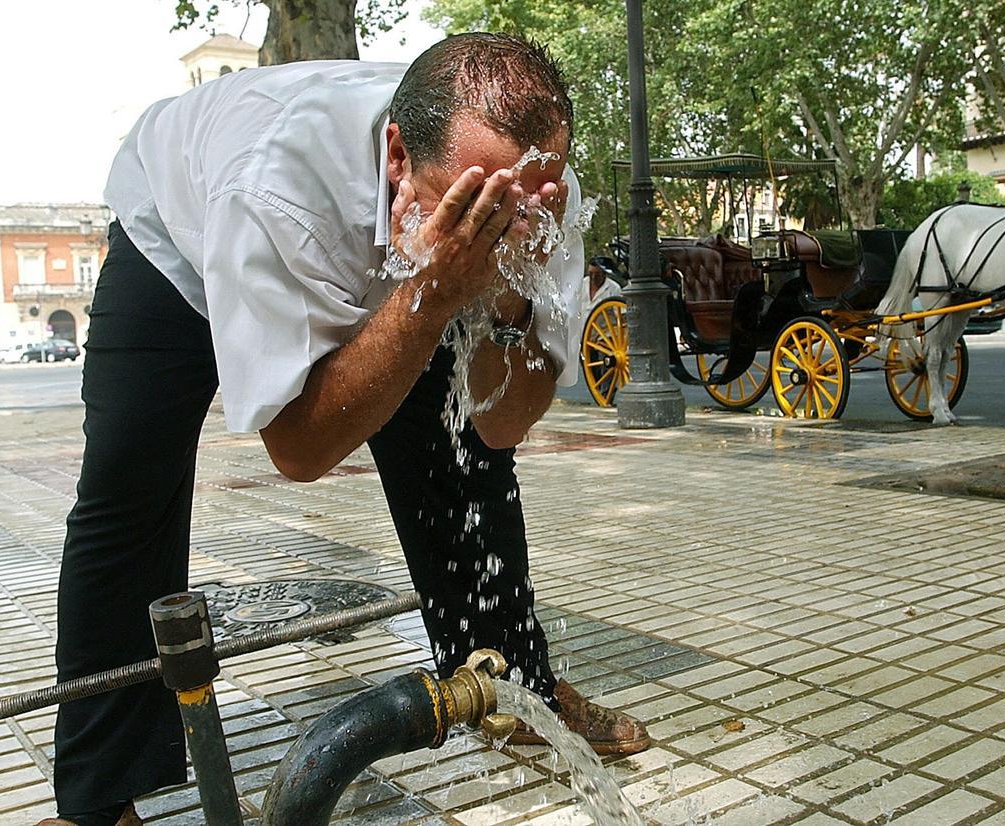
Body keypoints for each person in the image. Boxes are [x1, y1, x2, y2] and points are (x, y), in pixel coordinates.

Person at [43, 33, 649, 826]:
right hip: (176, 235)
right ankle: (95, 801)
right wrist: (429, 298)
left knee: (456, 445)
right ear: (398, 154)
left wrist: (503, 296)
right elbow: (299, 449)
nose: (493, 229)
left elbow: (499, 428)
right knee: (130, 480)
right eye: (468, 209)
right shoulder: (272, 188)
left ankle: (512, 682)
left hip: (377, 238)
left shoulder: (533, 190)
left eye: (510, 214)